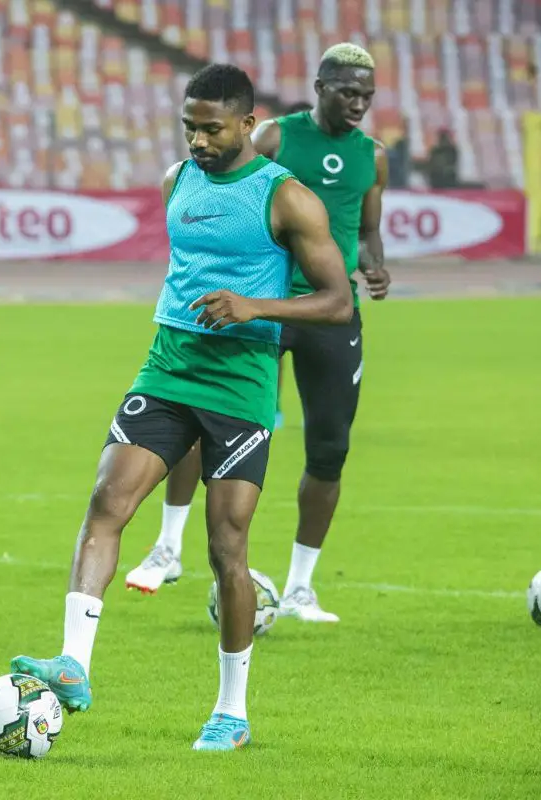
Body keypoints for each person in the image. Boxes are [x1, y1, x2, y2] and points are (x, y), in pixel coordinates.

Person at [9, 63, 353, 751]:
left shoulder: (287, 199)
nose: (197, 140)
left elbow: (337, 302)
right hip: (168, 366)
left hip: (241, 385)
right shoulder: (177, 181)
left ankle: (231, 711)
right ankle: (74, 663)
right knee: (106, 503)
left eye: (212, 129)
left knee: (227, 547)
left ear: (247, 124)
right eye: (189, 127)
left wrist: (255, 306)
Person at [124, 43, 389, 623]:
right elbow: (233, 185)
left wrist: (376, 263)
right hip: (254, 307)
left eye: (367, 95)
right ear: (320, 88)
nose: (359, 104)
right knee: (199, 411)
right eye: (348, 92)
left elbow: (367, 229)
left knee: (330, 447)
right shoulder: (274, 137)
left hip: (322, 311)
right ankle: (168, 545)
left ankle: (300, 588)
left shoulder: (373, 157)